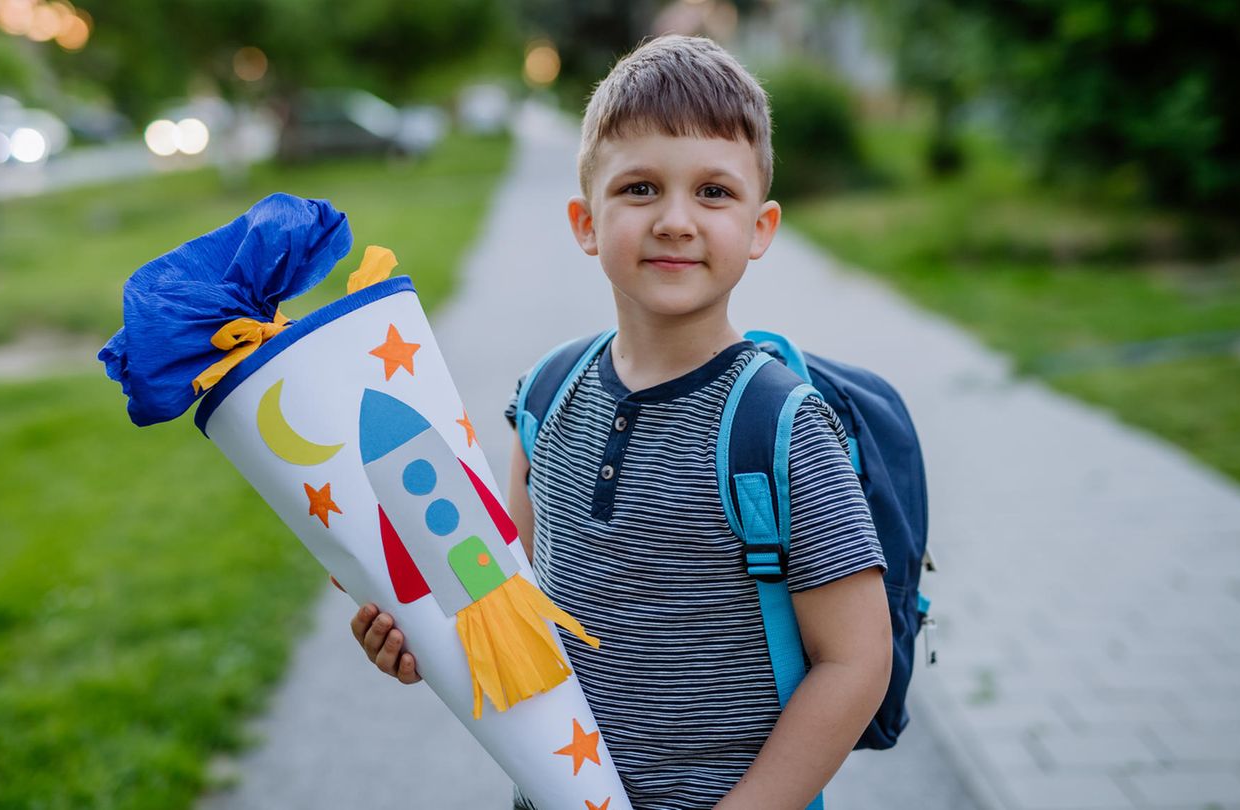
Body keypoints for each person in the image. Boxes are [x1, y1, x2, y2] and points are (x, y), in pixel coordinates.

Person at [350, 34, 891, 810]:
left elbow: (857, 659)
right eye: (640, 189)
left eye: (714, 192)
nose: (675, 220)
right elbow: (507, 604)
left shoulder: (779, 425)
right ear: (586, 222)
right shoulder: (546, 396)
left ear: (762, 228)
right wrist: (421, 645)